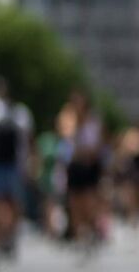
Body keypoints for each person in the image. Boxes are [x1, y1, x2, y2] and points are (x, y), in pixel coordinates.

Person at [56, 89, 107, 249]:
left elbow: (96, 148)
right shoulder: (68, 120)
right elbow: (66, 140)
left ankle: (91, 232)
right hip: (74, 167)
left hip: (89, 167)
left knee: (88, 202)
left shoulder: (93, 122)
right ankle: (79, 238)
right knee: (74, 203)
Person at [0, 77, 32, 259]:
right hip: (10, 164)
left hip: (7, 164)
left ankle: (5, 236)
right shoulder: (19, 112)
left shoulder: (15, 111)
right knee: (8, 202)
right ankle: (6, 236)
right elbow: (25, 141)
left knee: (5, 202)